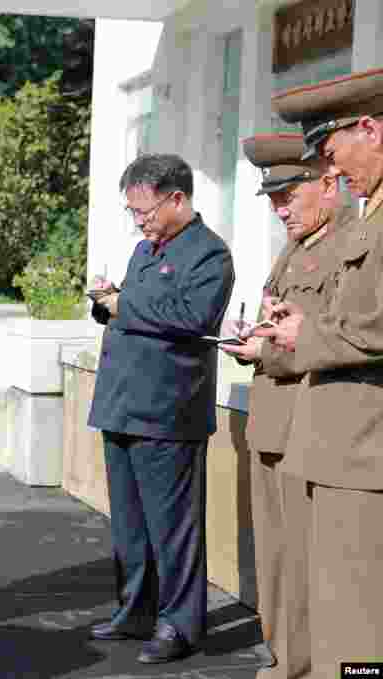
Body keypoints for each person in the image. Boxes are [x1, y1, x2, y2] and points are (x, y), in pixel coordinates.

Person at [252, 67, 383, 674]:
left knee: (358, 630)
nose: (334, 170)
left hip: (364, 447)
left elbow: (372, 327)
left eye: (333, 156)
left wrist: (306, 333)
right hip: (338, 444)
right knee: (336, 616)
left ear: (369, 128)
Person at [87, 153, 234, 663]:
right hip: (123, 404)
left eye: (144, 210)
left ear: (177, 198)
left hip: (169, 412)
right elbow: (134, 309)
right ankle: (137, 611)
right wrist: (109, 298)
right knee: (130, 526)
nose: (139, 220)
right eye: (132, 212)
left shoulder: (209, 255)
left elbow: (193, 317)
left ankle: (180, 625)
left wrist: (123, 305)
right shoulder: (146, 251)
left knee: (173, 529)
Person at [219, 133, 355, 679]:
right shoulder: (296, 247)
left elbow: (337, 340)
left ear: (327, 182)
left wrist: (266, 350)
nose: (279, 210)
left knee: (311, 566)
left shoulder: (351, 243)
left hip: (310, 426)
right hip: (273, 425)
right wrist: (253, 330)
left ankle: (318, 667)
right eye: (271, 199)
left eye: (287, 196)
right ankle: (289, 662)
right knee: (277, 565)